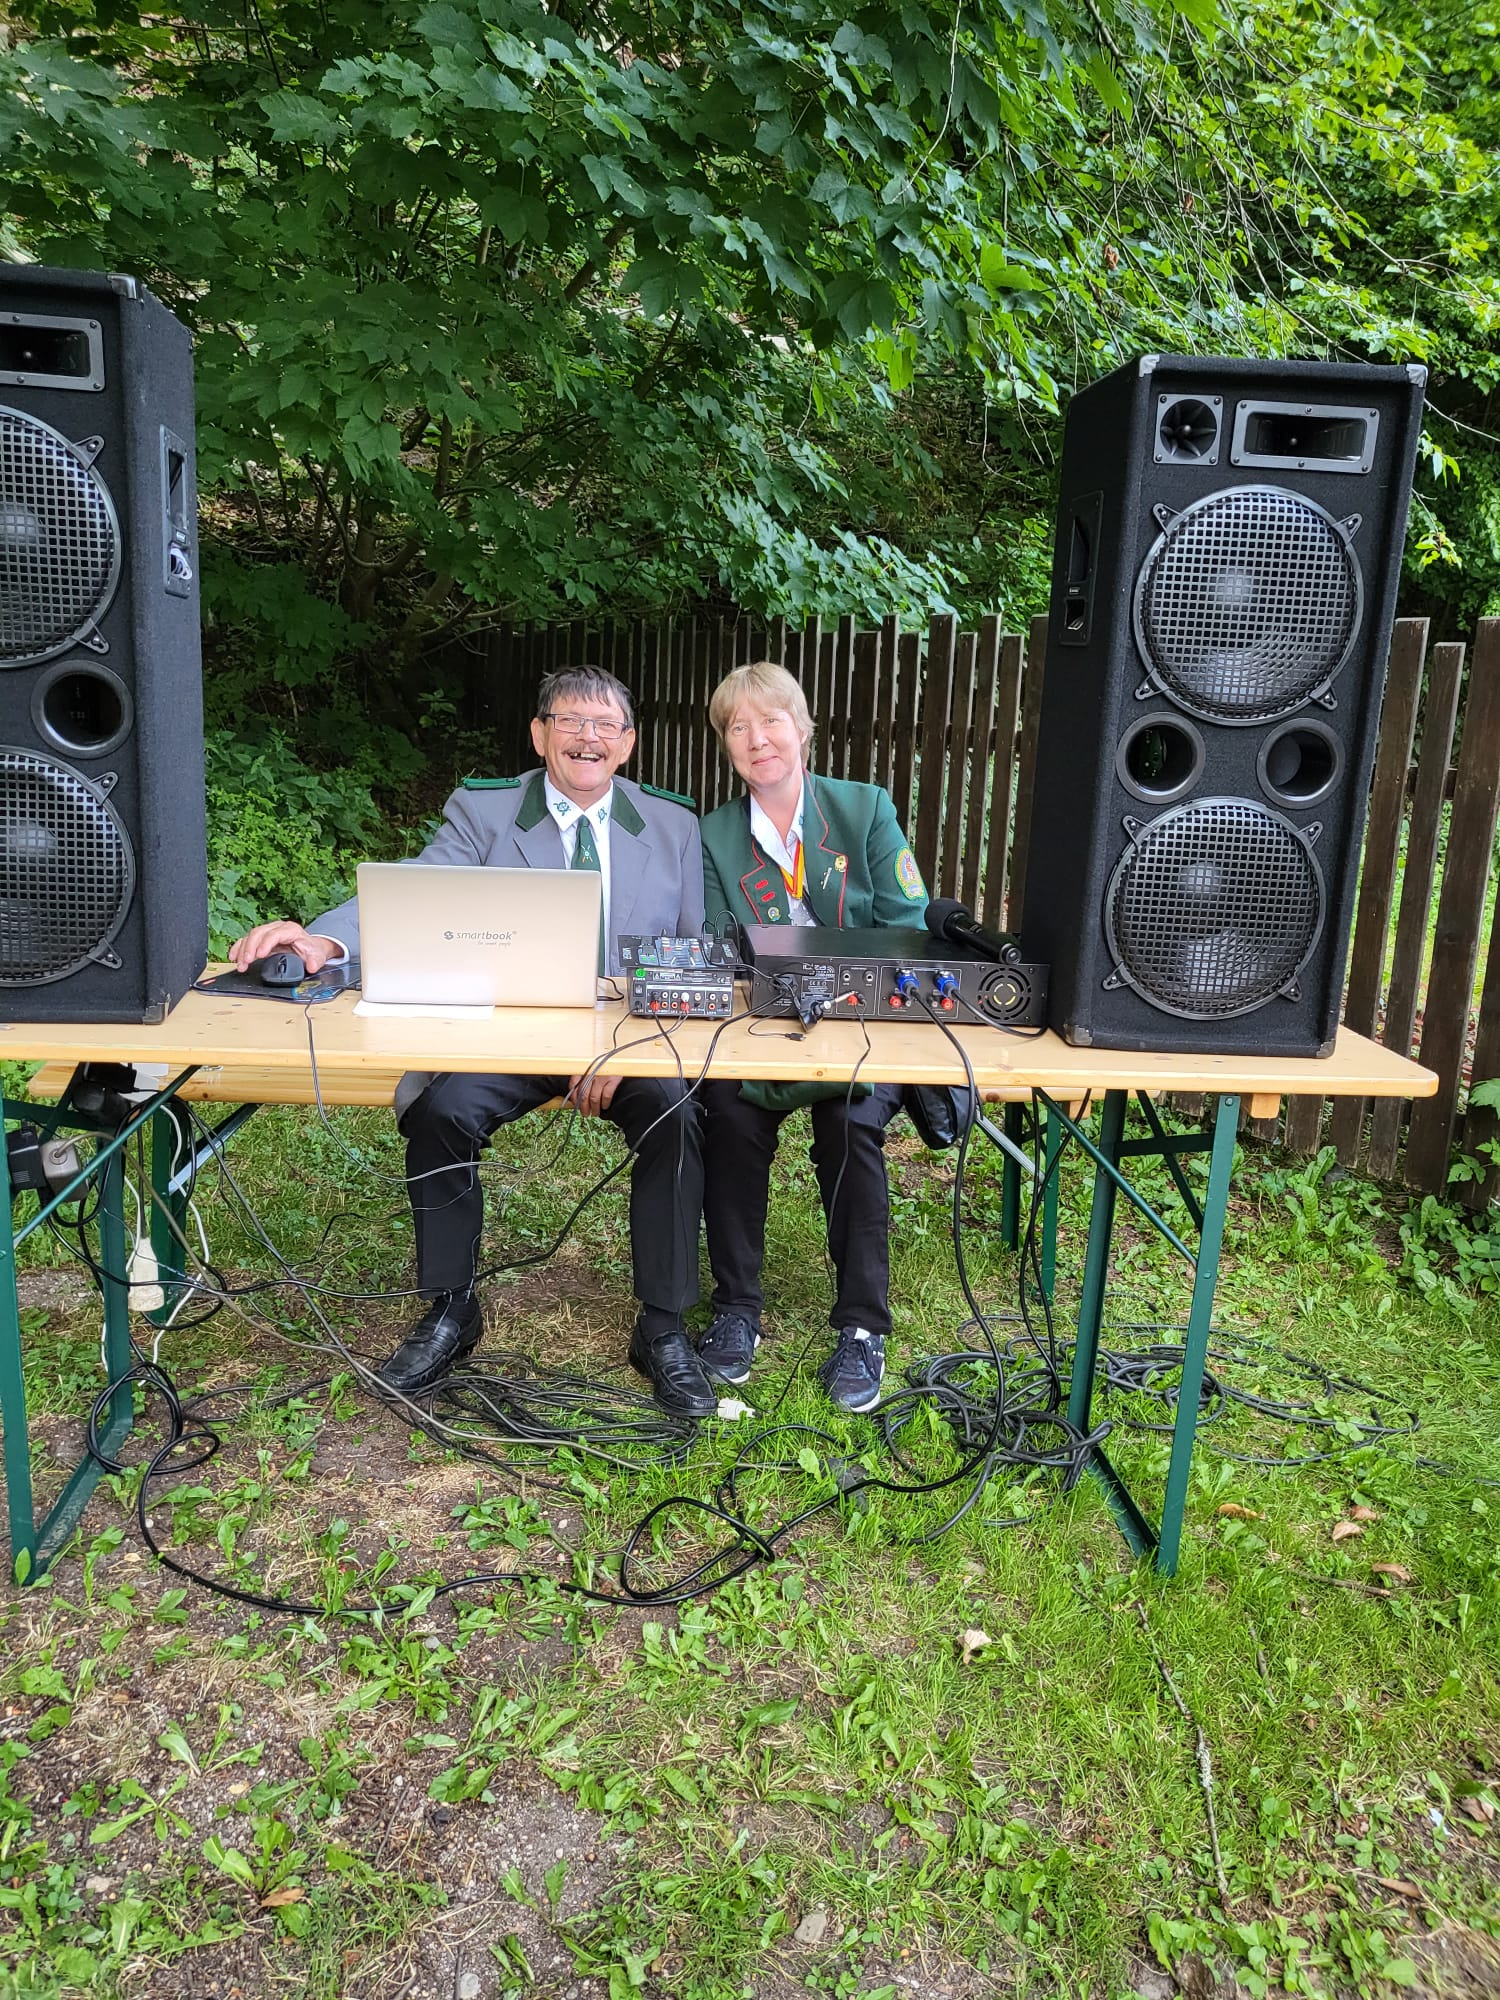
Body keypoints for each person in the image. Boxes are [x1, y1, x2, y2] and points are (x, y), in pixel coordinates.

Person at [228, 669, 718, 1419]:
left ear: (627, 744)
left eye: (604, 725)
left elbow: (691, 958)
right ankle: (451, 1309)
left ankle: (663, 1326)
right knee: (442, 1110)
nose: (586, 737)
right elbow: (415, 891)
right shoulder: (486, 810)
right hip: (507, 1036)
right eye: (569, 721)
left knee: (677, 1114)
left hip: (625, 1043)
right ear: (539, 734)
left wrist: (627, 1048)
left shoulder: (672, 824)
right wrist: (325, 940)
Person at [696, 661, 929, 1413]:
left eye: (771, 721)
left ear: (801, 729)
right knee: (728, 1117)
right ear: (727, 745)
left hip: (864, 1029)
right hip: (762, 1032)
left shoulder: (863, 809)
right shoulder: (716, 834)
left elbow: (908, 925)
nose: (757, 739)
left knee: (851, 1124)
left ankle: (863, 1326)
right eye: (738, 727)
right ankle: (737, 1309)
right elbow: (719, 945)